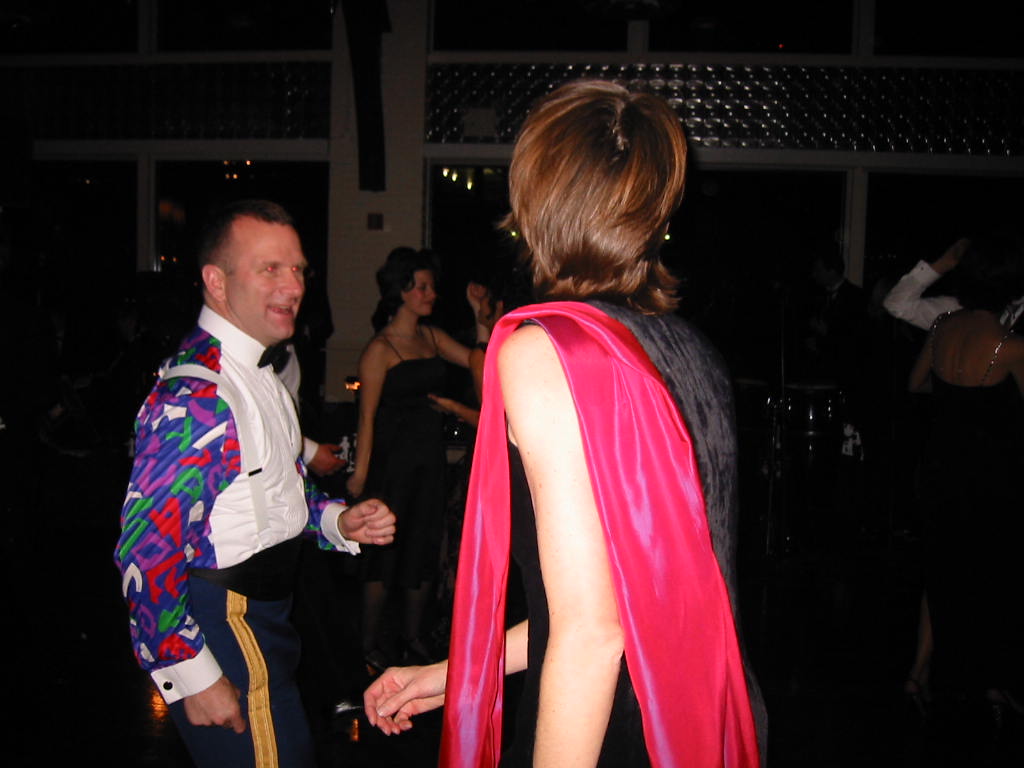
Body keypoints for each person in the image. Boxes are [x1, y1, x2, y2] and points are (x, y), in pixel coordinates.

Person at [364, 80, 760, 767]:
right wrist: (454, 674)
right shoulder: (692, 351)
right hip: (701, 722)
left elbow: (592, 632)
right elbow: (616, 601)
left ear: (537, 200)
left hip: (607, 734)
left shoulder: (548, 350)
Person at [113, 199, 396, 768]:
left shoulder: (256, 372)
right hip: (225, 626)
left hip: (267, 618)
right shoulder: (198, 395)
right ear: (216, 282)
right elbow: (144, 550)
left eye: (298, 269)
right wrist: (192, 674)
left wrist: (336, 521)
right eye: (270, 269)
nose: (294, 286)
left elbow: (269, 494)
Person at [907, 230, 1024, 724]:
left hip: (939, 468)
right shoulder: (1010, 345)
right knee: (991, 577)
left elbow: (915, 384)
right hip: (989, 476)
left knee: (940, 573)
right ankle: (992, 683)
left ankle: (918, 674)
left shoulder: (943, 326)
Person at [346, 247, 482, 670]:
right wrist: (359, 476)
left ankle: (413, 638)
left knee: (423, 549)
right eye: (421, 287)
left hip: (429, 461)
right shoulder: (380, 348)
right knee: (384, 556)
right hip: (393, 466)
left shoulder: (432, 337)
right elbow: (366, 418)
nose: (431, 294)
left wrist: (479, 318)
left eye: (431, 286)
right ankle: (367, 646)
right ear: (401, 291)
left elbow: (477, 359)